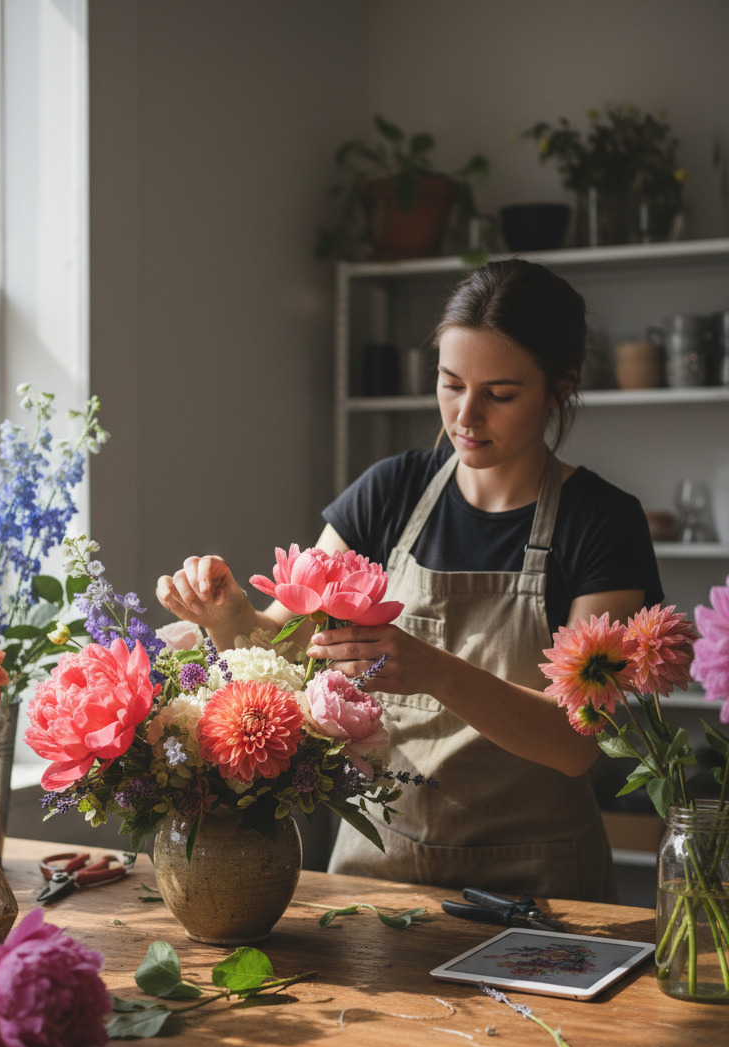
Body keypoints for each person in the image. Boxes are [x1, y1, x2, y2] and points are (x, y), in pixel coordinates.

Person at [156, 259, 663, 902]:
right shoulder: (390, 493)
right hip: (379, 870)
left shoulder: (603, 523)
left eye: (500, 394)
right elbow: (280, 652)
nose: (465, 415)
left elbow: (576, 743)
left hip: (541, 889)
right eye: (451, 384)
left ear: (559, 389)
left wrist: (434, 671)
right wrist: (227, 615)